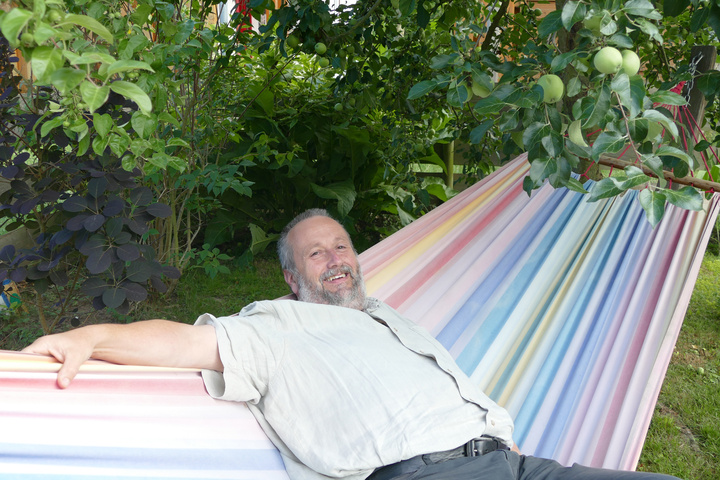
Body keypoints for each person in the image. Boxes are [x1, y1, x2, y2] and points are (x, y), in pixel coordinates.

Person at [23, 209, 679, 480]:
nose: (335, 258)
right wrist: (91, 336)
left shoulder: (386, 316)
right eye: (316, 253)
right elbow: (182, 345)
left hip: (517, 464)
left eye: (341, 246)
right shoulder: (277, 325)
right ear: (292, 278)